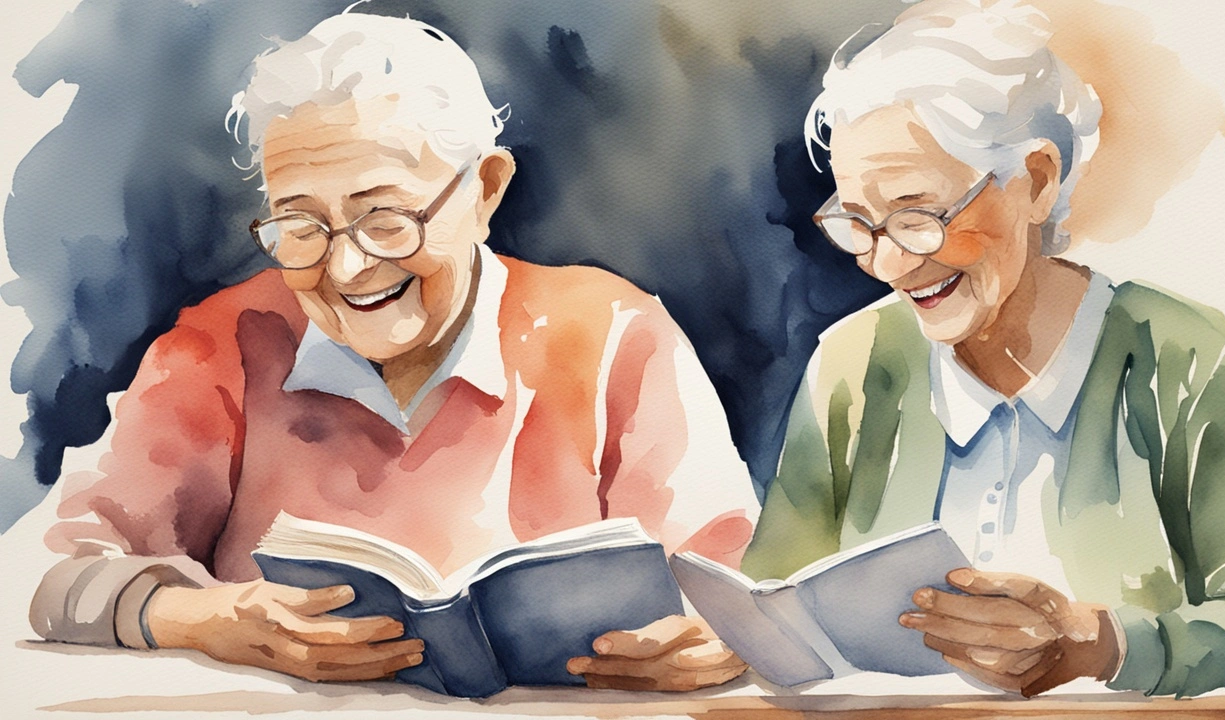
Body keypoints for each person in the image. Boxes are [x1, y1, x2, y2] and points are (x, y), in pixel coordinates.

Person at [29, 12, 755, 691]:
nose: (346, 270)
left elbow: (739, 586)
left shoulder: (616, 332)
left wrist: (718, 635)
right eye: (301, 225)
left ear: (484, 191)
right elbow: (49, 574)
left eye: (385, 219)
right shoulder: (218, 346)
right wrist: (198, 619)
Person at [741, 0, 1225, 698]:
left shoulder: (1177, 354)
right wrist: (716, 646)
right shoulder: (852, 365)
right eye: (859, 224)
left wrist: (1103, 644)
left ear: (1036, 179)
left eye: (917, 215)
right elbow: (769, 608)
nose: (888, 265)